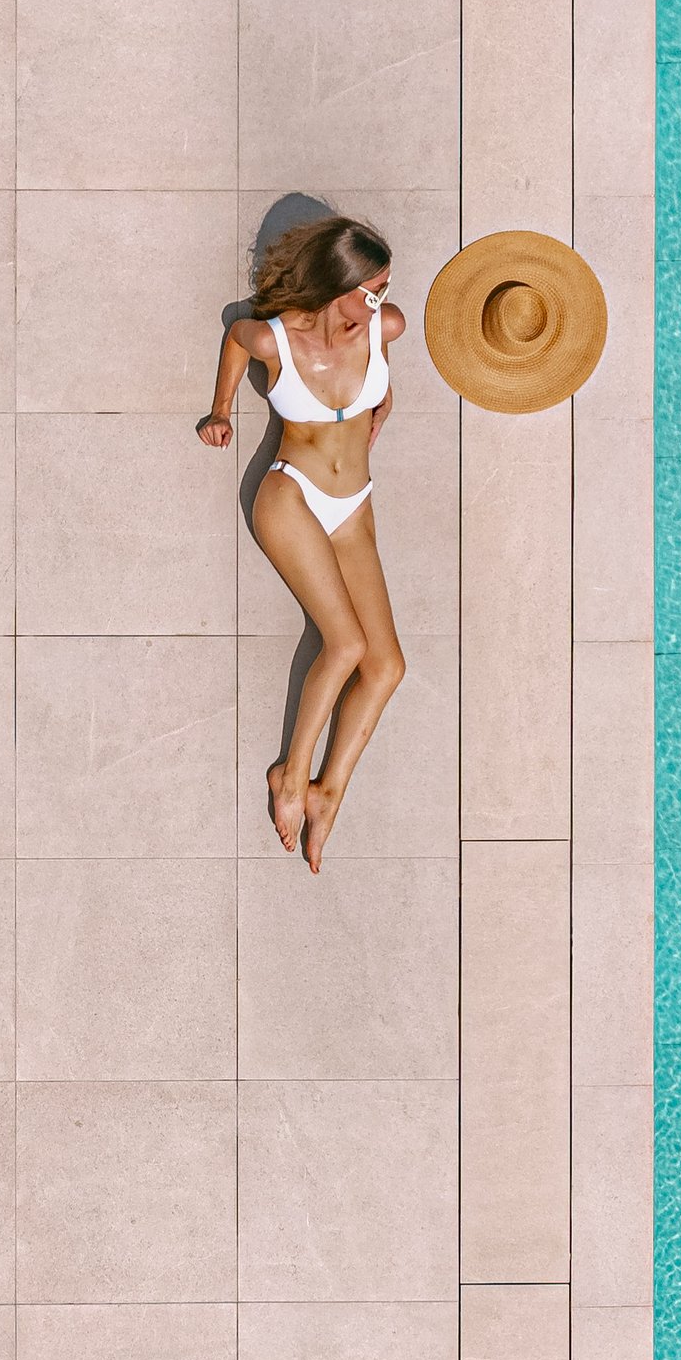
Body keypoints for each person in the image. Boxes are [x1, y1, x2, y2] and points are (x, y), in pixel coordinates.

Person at [199, 212, 406, 872]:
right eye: (371, 288)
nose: (381, 301)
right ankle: (289, 778)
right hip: (291, 497)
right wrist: (222, 410)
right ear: (336, 285)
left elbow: (379, 377)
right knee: (344, 645)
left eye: (384, 286)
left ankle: (327, 794)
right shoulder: (279, 341)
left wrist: (384, 395)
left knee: (387, 666)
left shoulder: (385, 326)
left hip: (353, 506)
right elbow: (237, 336)